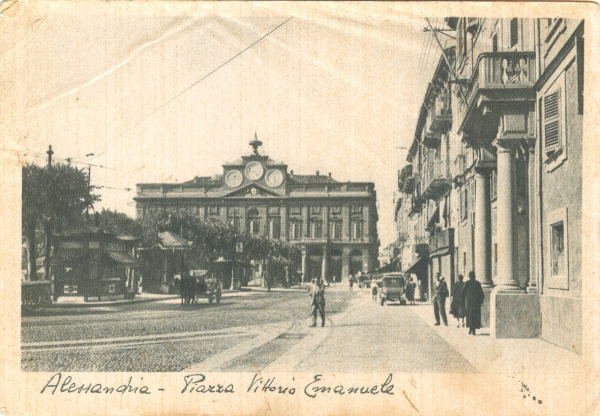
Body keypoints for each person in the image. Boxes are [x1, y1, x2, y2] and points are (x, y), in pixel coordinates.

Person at [462, 271, 484, 335]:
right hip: (476, 303)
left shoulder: (467, 283)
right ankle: (473, 330)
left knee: (469, 316)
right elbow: (481, 294)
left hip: (469, 303)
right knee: (475, 316)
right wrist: (480, 301)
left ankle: (470, 329)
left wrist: (464, 301)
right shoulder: (477, 283)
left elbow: (462, 293)